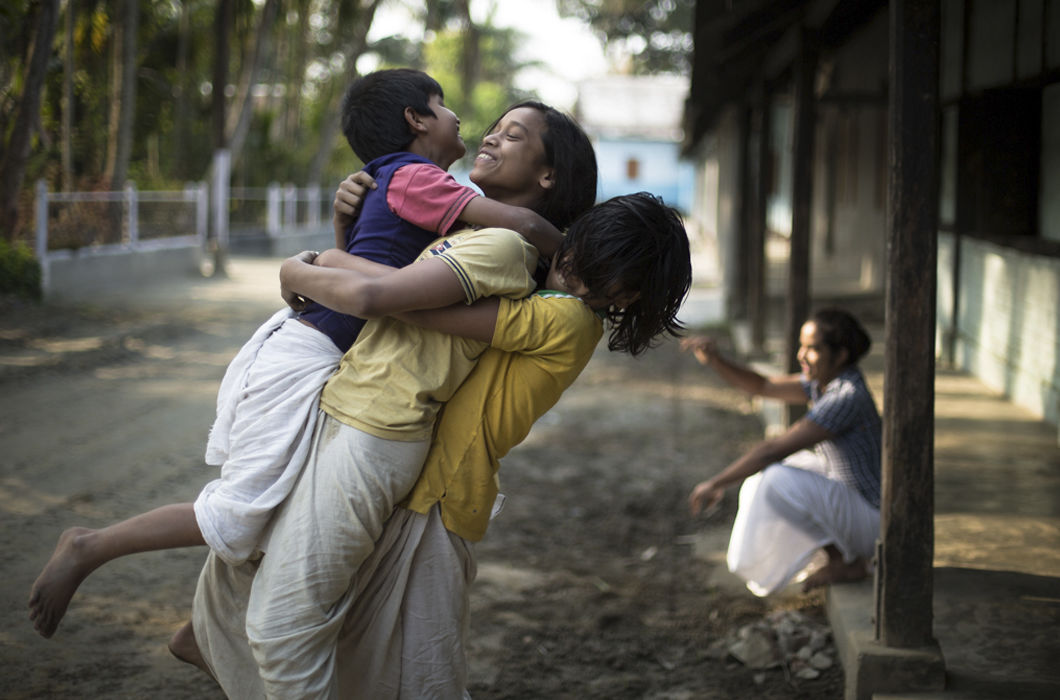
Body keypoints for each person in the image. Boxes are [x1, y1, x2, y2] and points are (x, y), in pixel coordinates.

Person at [27, 70, 590, 639]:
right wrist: (578, 257)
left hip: (336, 361)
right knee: (242, 508)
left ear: (548, 173)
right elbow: (390, 289)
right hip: (311, 349)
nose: (481, 132)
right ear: (416, 121)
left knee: (295, 502)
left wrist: (332, 245)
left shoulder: (441, 206)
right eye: (445, 107)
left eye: (510, 134)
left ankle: (204, 636)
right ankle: (90, 546)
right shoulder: (428, 185)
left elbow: (387, 270)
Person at [188, 191, 694, 698]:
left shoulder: (568, 317)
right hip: (422, 478)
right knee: (387, 665)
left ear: (625, 297)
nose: (573, 272)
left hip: (441, 495)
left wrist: (310, 271)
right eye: (580, 252)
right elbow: (401, 289)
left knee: (410, 673)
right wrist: (341, 259)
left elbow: (411, 307)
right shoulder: (521, 272)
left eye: (600, 275)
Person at [682, 308, 881, 596]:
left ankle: (845, 562)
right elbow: (763, 385)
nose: (801, 355)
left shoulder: (846, 397)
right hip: (858, 507)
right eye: (802, 345)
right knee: (796, 465)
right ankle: (841, 555)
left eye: (812, 349)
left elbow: (771, 450)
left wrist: (716, 483)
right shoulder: (823, 383)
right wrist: (716, 361)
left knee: (778, 478)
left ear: (840, 356)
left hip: (874, 523)